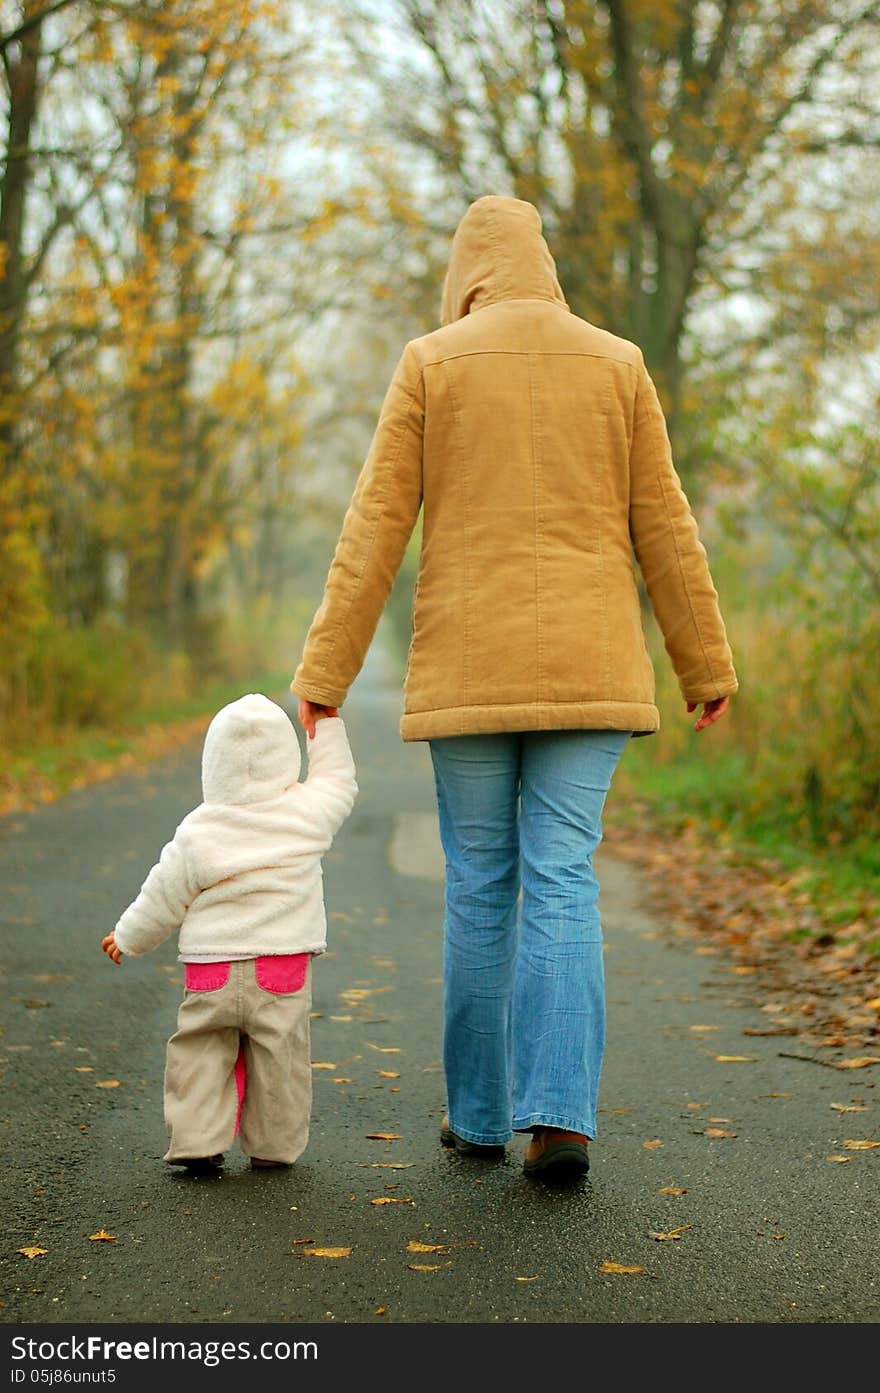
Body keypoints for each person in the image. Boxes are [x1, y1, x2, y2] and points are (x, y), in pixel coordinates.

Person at [291, 194, 737, 1183]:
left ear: (466, 275)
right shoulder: (617, 361)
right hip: (592, 670)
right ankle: (562, 1117)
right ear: (545, 266)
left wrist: (325, 674)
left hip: (470, 666)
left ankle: (482, 1116)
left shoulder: (431, 363)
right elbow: (664, 524)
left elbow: (373, 530)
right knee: (565, 877)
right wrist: (703, 661)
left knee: (483, 884)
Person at [101, 693, 357, 1174]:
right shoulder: (306, 813)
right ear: (286, 760)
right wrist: (326, 726)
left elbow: (164, 892)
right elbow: (338, 782)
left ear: (212, 763)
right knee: (281, 1057)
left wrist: (128, 936)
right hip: (280, 965)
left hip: (211, 967)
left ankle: (197, 1143)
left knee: (199, 1051)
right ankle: (274, 1147)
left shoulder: (199, 828)